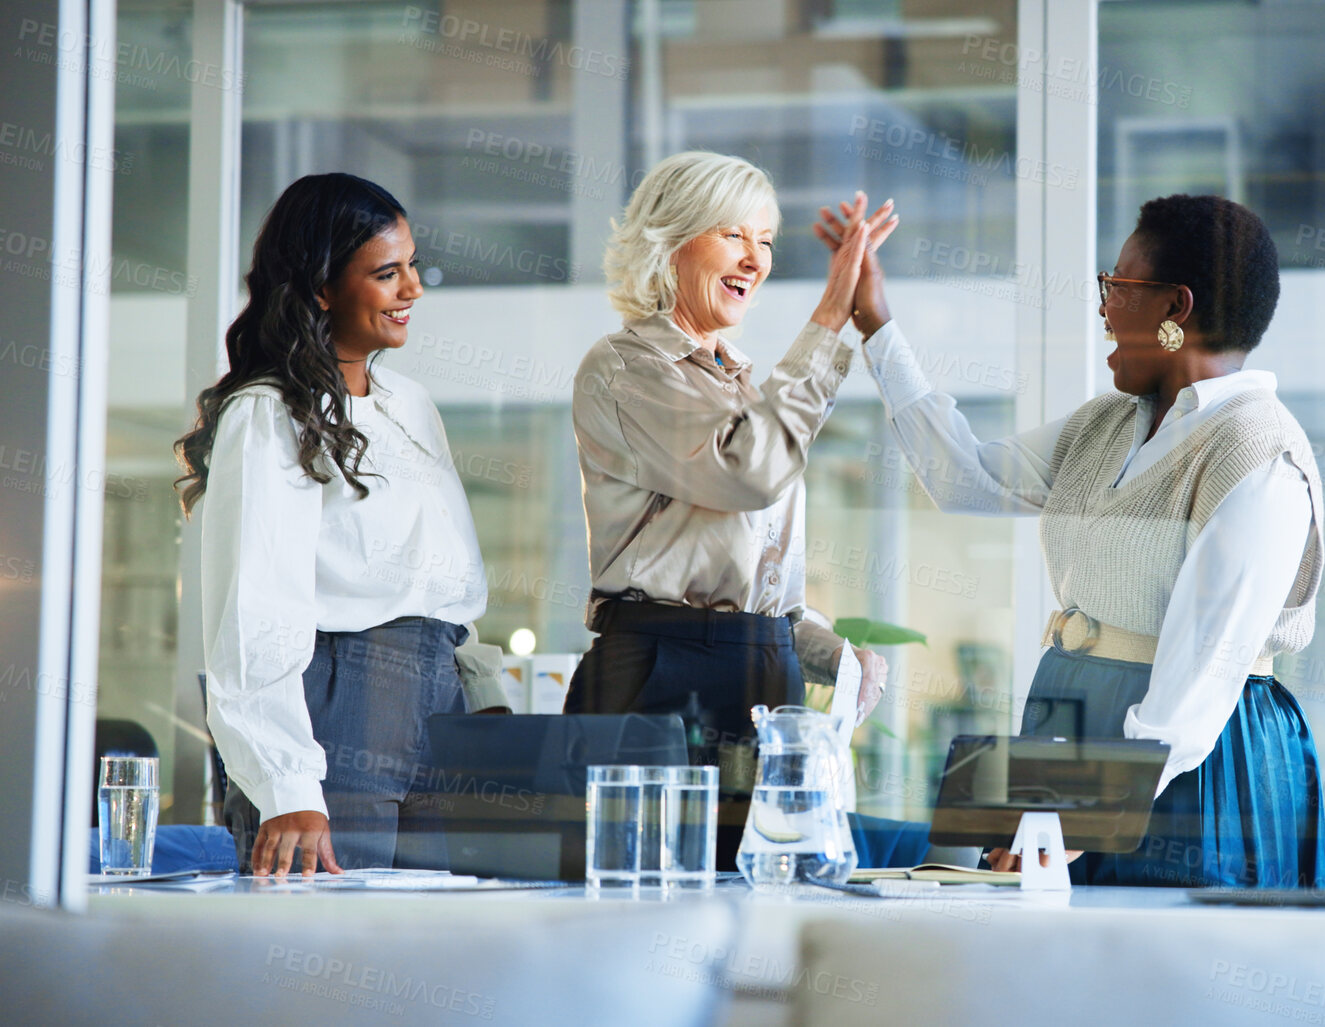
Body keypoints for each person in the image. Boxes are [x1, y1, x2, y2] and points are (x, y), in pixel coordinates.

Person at [818, 193, 1325, 887]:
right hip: (1070, 720)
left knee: (1160, 974)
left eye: (1117, 287)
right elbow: (961, 477)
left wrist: (1077, 822)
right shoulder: (1107, 424)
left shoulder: (1258, 454)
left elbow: (1201, 676)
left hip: (1194, 756)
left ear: (1175, 309)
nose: (1102, 307)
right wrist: (874, 322)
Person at [177, 173, 499, 877]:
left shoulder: (411, 405)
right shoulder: (269, 413)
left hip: (437, 705)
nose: (413, 289)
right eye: (388, 273)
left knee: (432, 948)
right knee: (330, 953)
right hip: (335, 705)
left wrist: (485, 702)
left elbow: (449, 588)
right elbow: (253, 613)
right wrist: (287, 784)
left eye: (412, 265)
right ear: (322, 286)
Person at [565, 152, 895, 763]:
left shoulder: (744, 388)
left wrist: (837, 657)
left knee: (759, 860)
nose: (756, 259)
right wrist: (830, 314)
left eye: (765, 240)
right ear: (670, 243)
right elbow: (752, 476)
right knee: (654, 856)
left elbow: (769, 602)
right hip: (660, 674)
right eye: (733, 234)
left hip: (761, 676)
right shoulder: (626, 365)